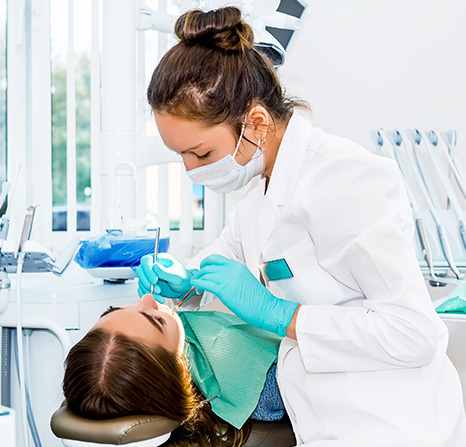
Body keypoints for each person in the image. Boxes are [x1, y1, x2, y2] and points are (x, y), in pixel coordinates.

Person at [136, 6, 466, 447]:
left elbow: (415, 334)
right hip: (319, 421)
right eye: (181, 156)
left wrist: (282, 315)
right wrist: (185, 279)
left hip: (390, 424)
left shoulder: (345, 180)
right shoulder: (258, 183)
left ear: (254, 123)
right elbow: (226, 257)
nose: (190, 170)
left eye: (200, 154)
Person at [62, 293, 285, 447]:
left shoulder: (184, 347)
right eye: (158, 321)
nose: (145, 299)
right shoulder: (265, 389)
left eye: (115, 310)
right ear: (180, 367)